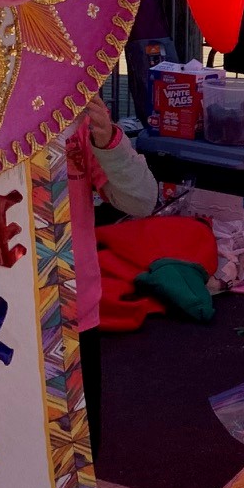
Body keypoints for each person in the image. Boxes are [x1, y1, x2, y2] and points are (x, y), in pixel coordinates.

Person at [66, 96, 158, 457]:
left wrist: (107, 141)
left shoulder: (72, 111)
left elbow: (141, 200)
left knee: (78, 455)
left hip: (73, 314)